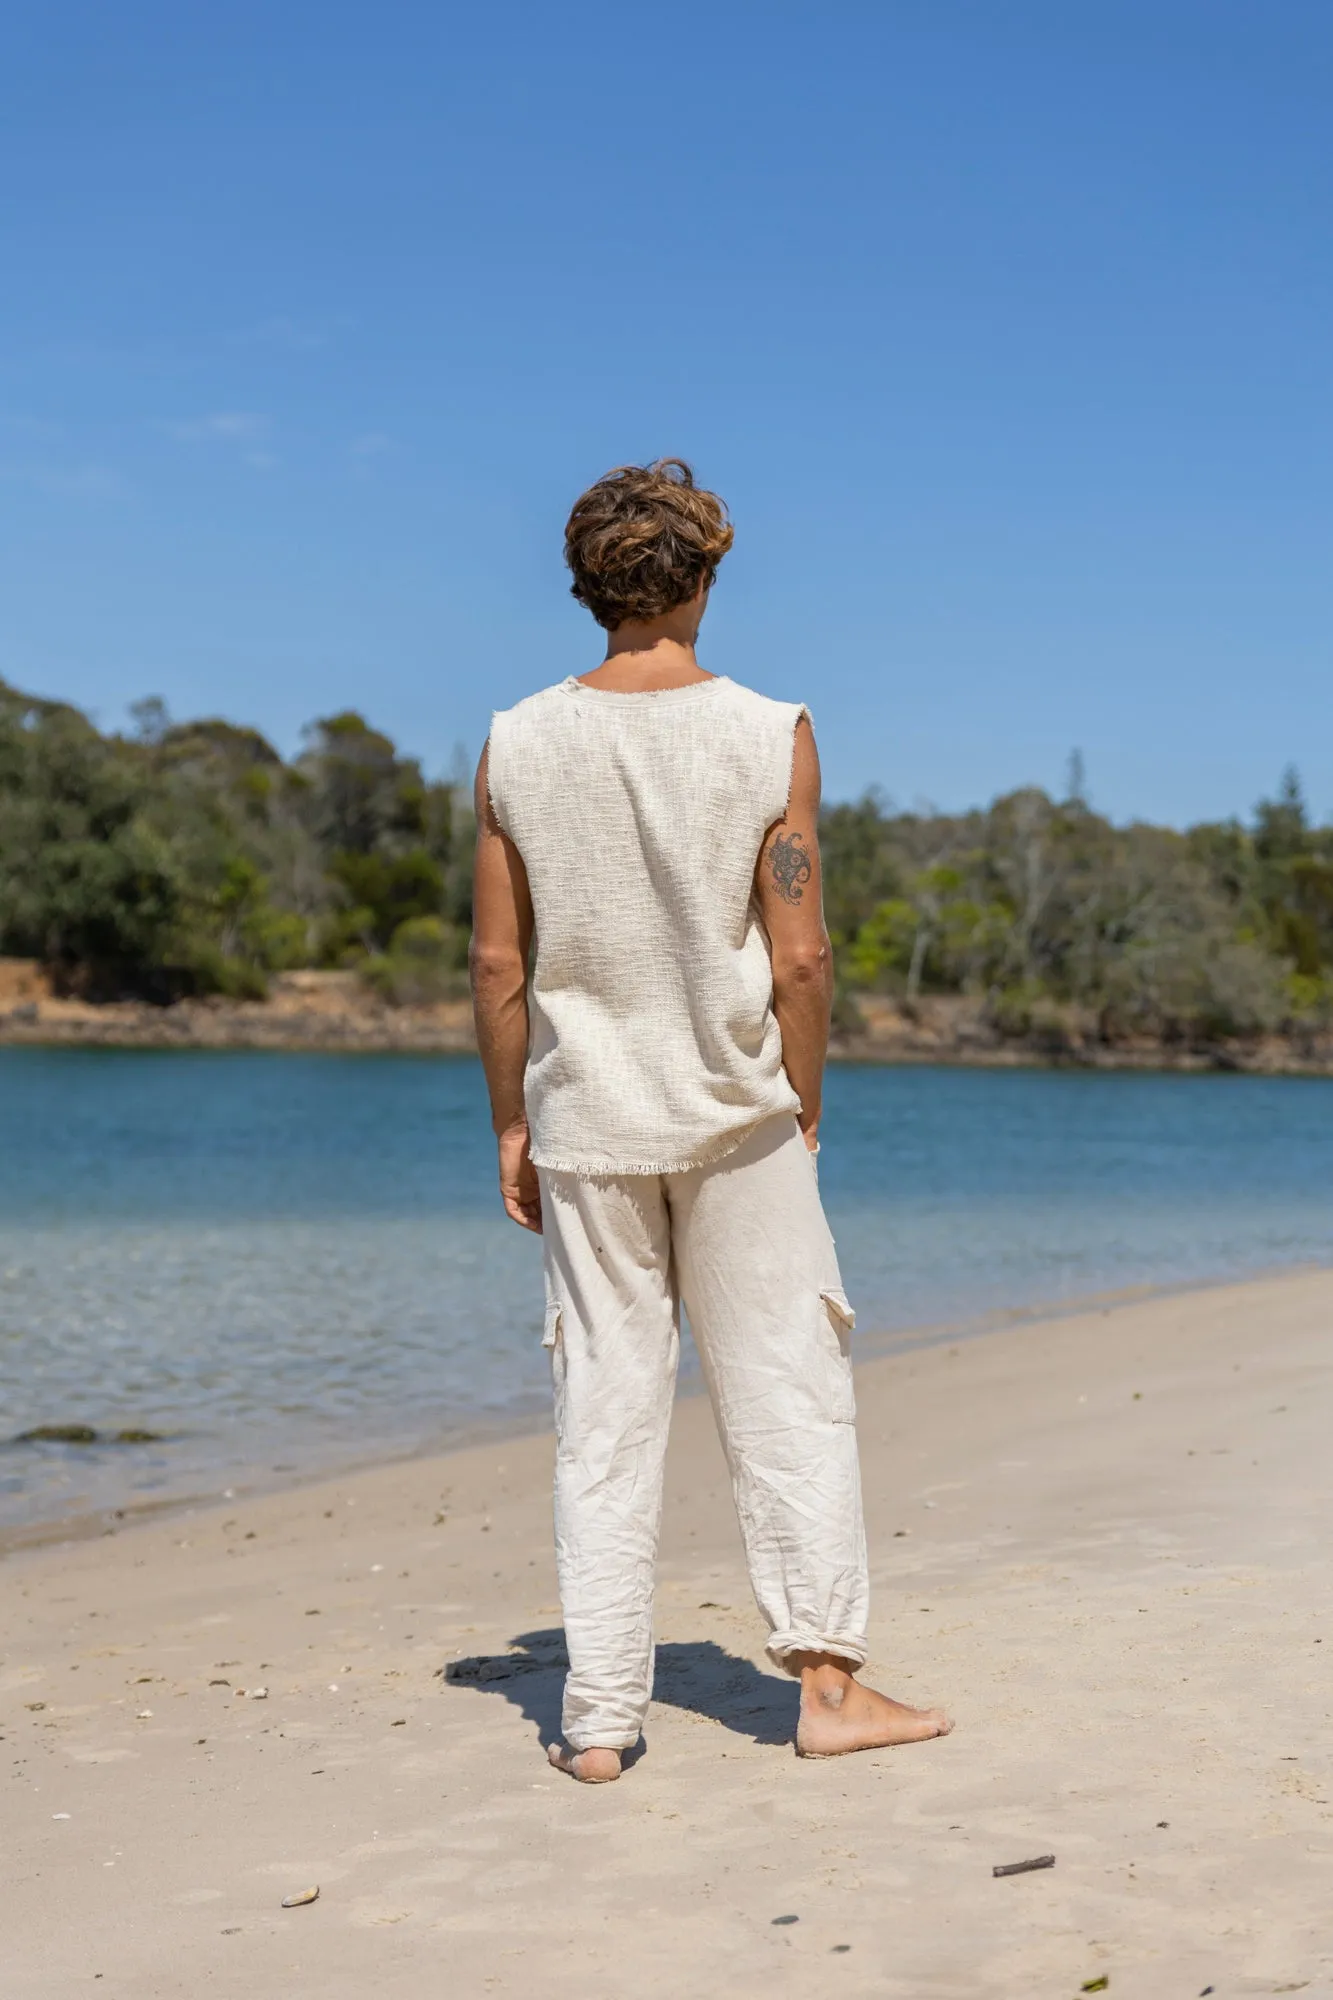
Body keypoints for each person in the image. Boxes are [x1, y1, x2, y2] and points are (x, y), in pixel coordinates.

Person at [470, 459, 951, 1783]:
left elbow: (498, 965)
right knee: (788, 1394)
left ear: (585, 585)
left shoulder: (515, 740)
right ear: (706, 574)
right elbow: (801, 956)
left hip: (587, 1128)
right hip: (738, 1121)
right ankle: (828, 1692)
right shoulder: (769, 729)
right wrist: (807, 1099)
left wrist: (512, 1125)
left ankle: (599, 1723)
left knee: (604, 1418)